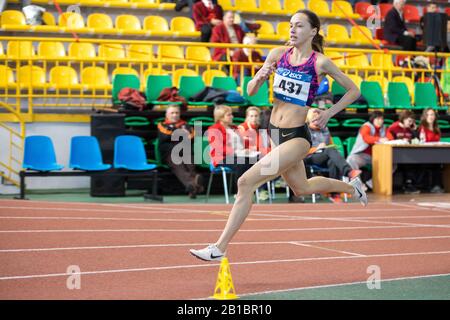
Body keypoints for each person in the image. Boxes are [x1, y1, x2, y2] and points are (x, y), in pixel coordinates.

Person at [190, 9, 367, 261]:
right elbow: (250, 91)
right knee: (301, 188)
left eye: (299, 26)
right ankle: (351, 188)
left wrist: (329, 113)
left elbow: (354, 90)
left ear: (313, 31)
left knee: (245, 182)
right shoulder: (277, 54)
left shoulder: (320, 63)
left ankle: (219, 248)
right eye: (291, 25)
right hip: (274, 131)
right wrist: (260, 77)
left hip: (297, 136)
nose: (292, 30)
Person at [157, 105, 204, 198]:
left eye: (177, 113)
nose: (174, 115)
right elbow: (165, 136)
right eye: (172, 113)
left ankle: (192, 188)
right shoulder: (162, 125)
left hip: (185, 151)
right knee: (180, 168)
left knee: (191, 166)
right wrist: (181, 133)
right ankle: (195, 185)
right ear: (166, 114)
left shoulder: (185, 125)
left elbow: (193, 137)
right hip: (170, 153)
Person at [305, 108, 361, 181]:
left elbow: (330, 144)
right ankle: (348, 171)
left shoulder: (325, 129)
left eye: (318, 120)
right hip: (310, 156)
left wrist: (330, 147)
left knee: (332, 161)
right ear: (309, 121)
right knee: (330, 151)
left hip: (324, 154)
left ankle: (334, 191)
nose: (317, 123)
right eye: (314, 120)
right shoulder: (305, 131)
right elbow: (301, 150)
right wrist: (316, 148)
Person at [207, 105, 256, 181]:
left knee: (258, 160)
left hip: (240, 155)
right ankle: (241, 191)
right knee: (242, 163)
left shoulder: (234, 128)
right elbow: (218, 148)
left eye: (231, 114)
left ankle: (260, 189)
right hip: (222, 158)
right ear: (221, 117)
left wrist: (249, 149)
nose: (232, 117)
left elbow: (242, 143)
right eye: (229, 115)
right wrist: (237, 152)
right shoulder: (213, 129)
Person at [346, 111, 392, 190]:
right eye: (377, 119)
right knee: (351, 159)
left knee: (393, 164)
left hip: (378, 156)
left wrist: (386, 139)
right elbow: (366, 138)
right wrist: (380, 139)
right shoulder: (366, 126)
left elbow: (390, 138)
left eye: (381, 119)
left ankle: (372, 183)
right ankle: (358, 185)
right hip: (364, 155)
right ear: (372, 119)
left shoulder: (384, 128)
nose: (380, 121)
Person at [238, 107, 271, 201]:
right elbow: (240, 147)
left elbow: (266, 147)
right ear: (247, 117)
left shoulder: (262, 130)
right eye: (251, 116)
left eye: (256, 116)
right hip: (245, 157)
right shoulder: (242, 128)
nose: (254, 118)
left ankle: (263, 189)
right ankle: (256, 190)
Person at [387, 110, 420, 194]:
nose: (411, 123)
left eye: (412, 121)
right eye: (409, 121)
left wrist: (415, 131)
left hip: (407, 153)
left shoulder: (411, 129)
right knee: (408, 162)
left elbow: (417, 141)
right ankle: (407, 185)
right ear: (403, 119)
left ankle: (409, 184)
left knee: (414, 161)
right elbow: (389, 140)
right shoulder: (393, 127)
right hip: (393, 154)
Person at [417, 108, 444, 193]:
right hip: (424, 152)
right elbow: (422, 141)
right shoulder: (422, 128)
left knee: (439, 162)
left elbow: (438, 140)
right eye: (428, 115)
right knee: (434, 163)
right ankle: (431, 186)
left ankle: (437, 186)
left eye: (432, 114)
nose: (430, 117)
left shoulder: (437, 128)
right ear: (425, 116)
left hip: (435, 152)